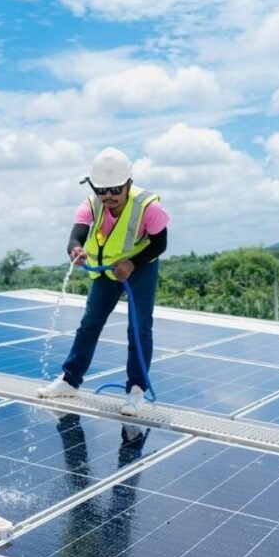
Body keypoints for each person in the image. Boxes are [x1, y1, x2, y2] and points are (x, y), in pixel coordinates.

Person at [37, 147, 169, 426]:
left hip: (140, 268)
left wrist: (132, 263)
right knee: (90, 323)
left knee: (139, 328)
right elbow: (76, 237)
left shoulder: (150, 207)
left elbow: (160, 244)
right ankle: (70, 381)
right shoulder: (91, 204)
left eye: (115, 190)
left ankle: (136, 390)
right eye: (102, 190)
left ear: (128, 183)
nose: (108, 196)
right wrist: (76, 250)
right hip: (106, 271)